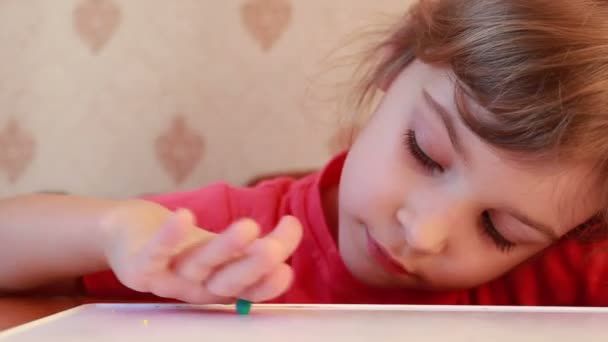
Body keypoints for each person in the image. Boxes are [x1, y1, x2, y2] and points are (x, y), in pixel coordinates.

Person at [2, 0, 608, 306]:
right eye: (425, 153)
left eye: (499, 229)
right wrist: (114, 229)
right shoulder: (237, 239)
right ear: (396, 62)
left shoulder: (564, 267)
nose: (422, 235)